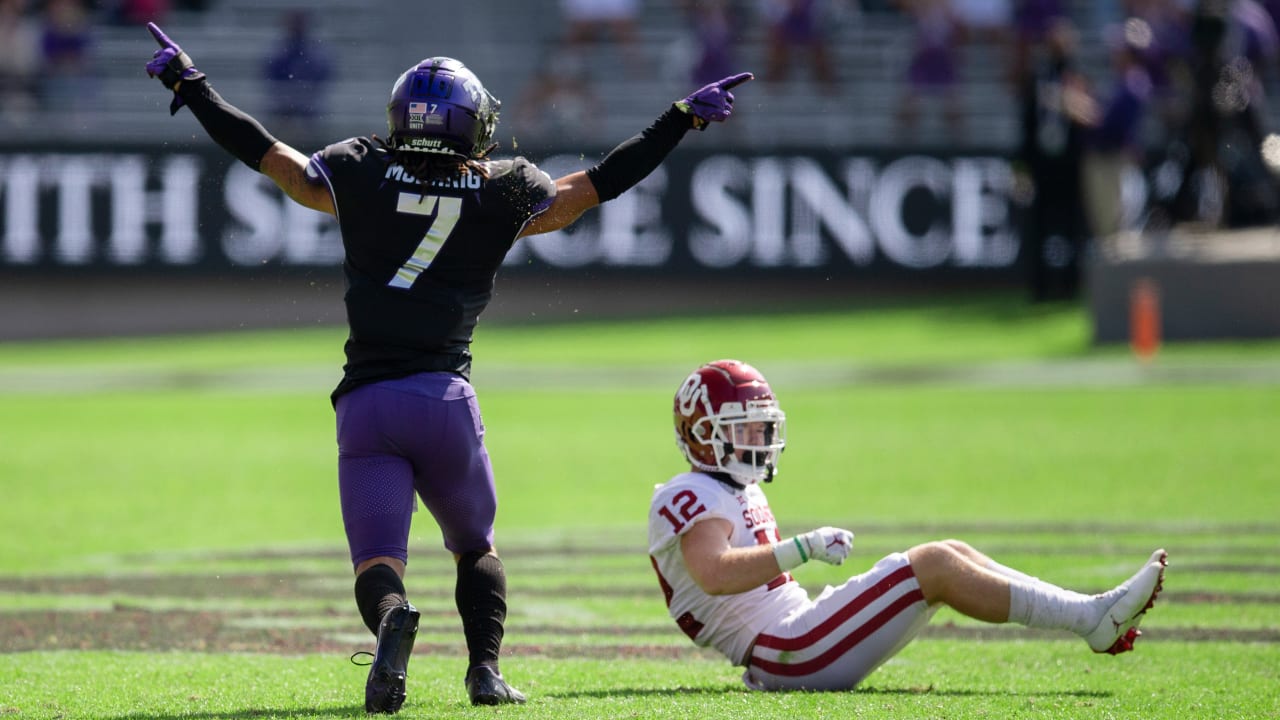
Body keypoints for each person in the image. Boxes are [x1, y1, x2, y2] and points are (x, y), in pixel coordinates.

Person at [143, 21, 753, 715]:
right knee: (475, 548)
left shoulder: (359, 167)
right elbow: (599, 183)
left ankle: (394, 619)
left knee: (378, 563)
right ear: (471, 126)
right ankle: (485, 673)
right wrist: (676, 121)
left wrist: (192, 87)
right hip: (444, 403)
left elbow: (269, 156)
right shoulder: (503, 189)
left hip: (367, 406)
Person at [648, 359, 1167, 691]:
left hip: (794, 639)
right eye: (745, 425)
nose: (760, 436)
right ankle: (1089, 618)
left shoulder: (735, 488)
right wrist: (800, 548)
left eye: (764, 424)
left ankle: (1091, 614)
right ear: (701, 435)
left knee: (951, 551)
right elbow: (713, 572)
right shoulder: (688, 492)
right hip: (784, 651)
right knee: (934, 565)